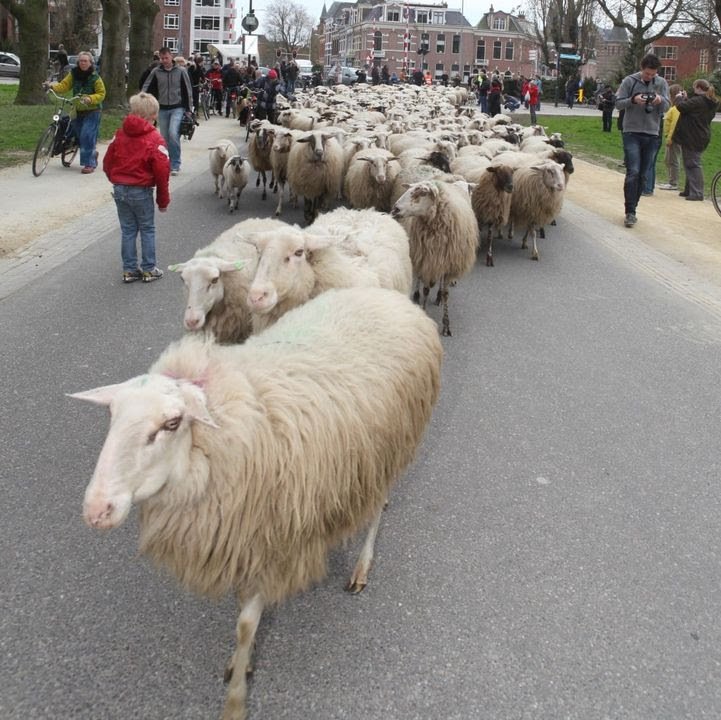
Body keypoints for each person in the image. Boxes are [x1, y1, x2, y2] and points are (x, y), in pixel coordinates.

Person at [102, 92, 170, 284]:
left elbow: (108, 161)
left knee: (128, 229)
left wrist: (115, 179)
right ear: (153, 115)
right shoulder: (154, 139)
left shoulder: (120, 134)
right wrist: (163, 201)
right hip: (141, 190)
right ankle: (149, 268)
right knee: (147, 228)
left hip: (120, 188)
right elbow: (162, 172)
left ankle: (130, 269)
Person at [614, 53, 669, 227]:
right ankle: (630, 211)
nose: (650, 77)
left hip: (652, 132)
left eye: (653, 75)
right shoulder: (629, 81)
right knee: (633, 172)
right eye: (647, 74)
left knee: (643, 175)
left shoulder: (661, 83)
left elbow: (668, 105)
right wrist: (633, 99)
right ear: (641, 69)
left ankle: (634, 206)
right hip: (632, 131)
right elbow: (618, 103)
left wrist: (660, 100)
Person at [45, 51, 106, 174]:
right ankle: (91, 153)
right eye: (81, 61)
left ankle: (89, 164)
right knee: (80, 137)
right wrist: (52, 87)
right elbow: (64, 86)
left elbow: (101, 93)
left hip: (92, 111)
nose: (83, 63)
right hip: (77, 110)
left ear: (90, 63)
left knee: (86, 135)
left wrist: (90, 98)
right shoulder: (74, 74)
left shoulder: (95, 77)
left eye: (85, 61)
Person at [142, 46, 193, 176]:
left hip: (177, 107)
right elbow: (147, 85)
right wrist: (141, 97)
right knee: (164, 137)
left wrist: (189, 109)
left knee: (173, 133)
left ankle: (175, 163)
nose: (164, 60)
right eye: (162, 58)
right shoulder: (156, 71)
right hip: (163, 107)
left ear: (171, 56)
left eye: (166, 58)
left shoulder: (181, 71)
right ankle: (165, 162)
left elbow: (188, 90)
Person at [673, 79, 719, 201]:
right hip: (701, 135)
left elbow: (681, 107)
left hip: (693, 136)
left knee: (693, 164)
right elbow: (691, 109)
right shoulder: (709, 102)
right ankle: (689, 190)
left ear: (698, 87)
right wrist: (686, 99)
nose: (693, 89)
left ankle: (697, 192)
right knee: (690, 162)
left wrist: (679, 98)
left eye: (694, 87)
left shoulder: (699, 101)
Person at [657, 84, 682, 191]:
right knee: (668, 159)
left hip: (674, 138)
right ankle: (671, 180)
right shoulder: (674, 107)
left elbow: (674, 125)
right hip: (671, 136)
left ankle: (673, 182)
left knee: (673, 160)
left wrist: (670, 138)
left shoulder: (677, 108)